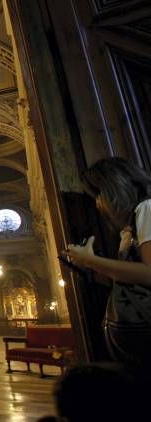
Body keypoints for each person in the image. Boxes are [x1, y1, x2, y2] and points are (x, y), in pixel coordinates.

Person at [64, 157, 151, 369]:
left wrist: (92, 261)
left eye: (98, 195)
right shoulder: (130, 226)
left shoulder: (146, 209)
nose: (98, 203)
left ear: (115, 189)